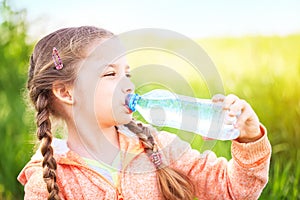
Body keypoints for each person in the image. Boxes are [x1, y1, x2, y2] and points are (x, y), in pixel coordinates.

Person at [18, 26, 271, 200]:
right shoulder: (48, 176)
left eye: (127, 73)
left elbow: (233, 190)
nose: (128, 84)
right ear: (66, 92)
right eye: (110, 73)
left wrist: (248, 139)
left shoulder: (158, 147)